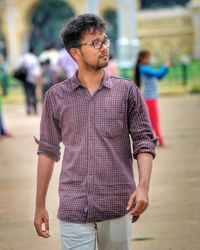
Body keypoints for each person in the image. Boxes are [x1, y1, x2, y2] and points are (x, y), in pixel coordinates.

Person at [34, 14, 157, 250]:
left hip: (119, 202)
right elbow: (47, 151)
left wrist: (143, 187)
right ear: (75, 53)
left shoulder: (127, 92)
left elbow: (144, 141)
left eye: (105, 40)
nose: (104, 48)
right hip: (73, 205)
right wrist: (39, 205)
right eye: (95, 43)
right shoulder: (56, 97)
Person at [134, 50, 170, 146]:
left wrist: (166, 68)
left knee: (153, 121)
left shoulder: (146, 68)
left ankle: (155, 141)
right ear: (142, 59)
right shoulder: (144, 68)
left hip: (151, 97)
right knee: (154, 121)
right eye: (147, 58)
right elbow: (158, 73)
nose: (149, 59)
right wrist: (165, 66)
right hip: (149, 98)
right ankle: (158, 141)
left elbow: (159, 76)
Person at [19, 47, 41, 115]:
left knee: (27, 94)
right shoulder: (34, 58)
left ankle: (28, 109)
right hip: (32, 79)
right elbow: (36, 71)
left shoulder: (23, 57)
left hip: (24, 78)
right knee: (33, 94)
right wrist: (38, 80)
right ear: (33, 51)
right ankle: (35, 109)